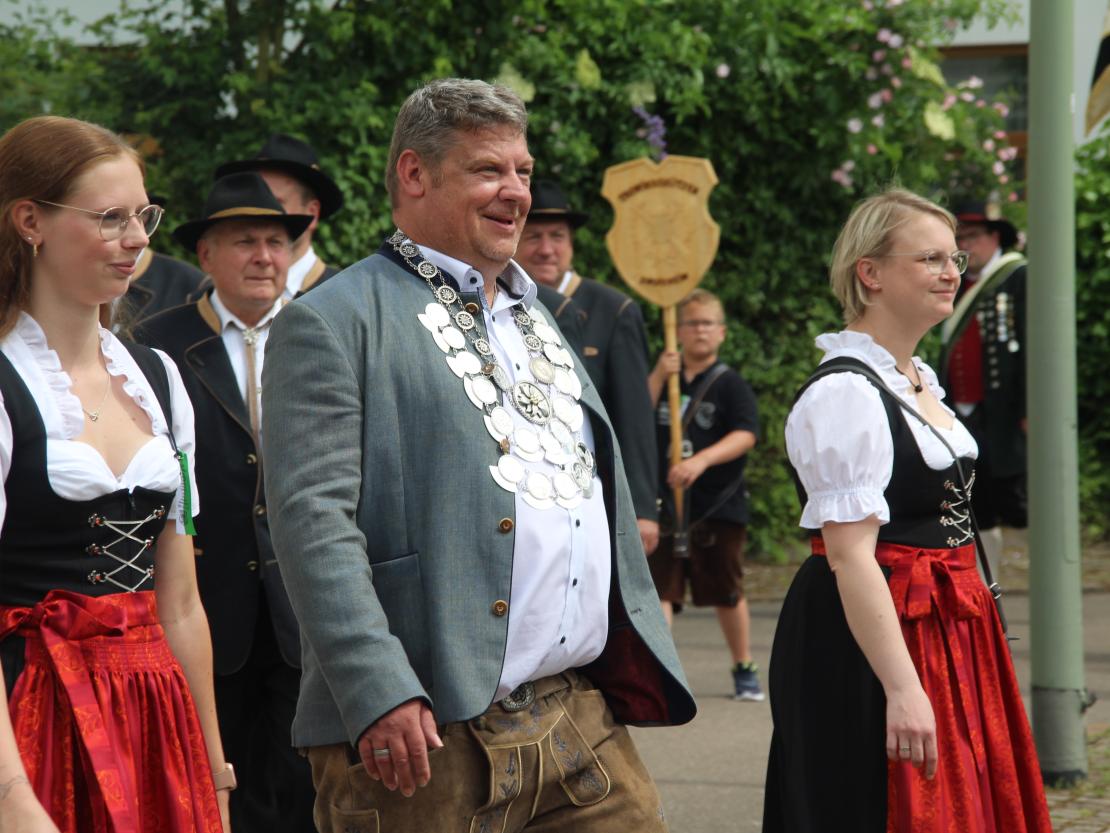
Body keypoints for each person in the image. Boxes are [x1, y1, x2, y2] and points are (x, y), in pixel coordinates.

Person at [261, 77, 695, 833]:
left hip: (572, 708)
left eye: (522, 171)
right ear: (414, 173)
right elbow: (310, 525)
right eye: (488, 170)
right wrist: (378, 688)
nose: (516, 192)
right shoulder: (329, 322)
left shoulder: (535, 312)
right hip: (421, 731)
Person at [762, 188, 1052, 833]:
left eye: (954, 258)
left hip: (947, 624)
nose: (953, 272)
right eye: (930, 259)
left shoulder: (916, 378)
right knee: (874, 801)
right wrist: (902, 687)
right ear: (871, 272)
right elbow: (849, 556)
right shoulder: (846, 393)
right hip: (875, 635)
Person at [0, 116, 230, 832]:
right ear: (29, 220)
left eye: (143, 215)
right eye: (110, 219)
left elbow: (182, 606)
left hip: (155, 721)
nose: (138, 240)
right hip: (34, 718)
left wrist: (215, 777)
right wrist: (14, 802)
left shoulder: (158, 379)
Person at [135, 172, 315, 832]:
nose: (264, 256)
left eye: (276, 240)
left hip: (306, 601)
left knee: (306, 787)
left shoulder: (321, 332)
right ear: (205, 255)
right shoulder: (157, 345)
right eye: (244, 241)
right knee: (220, 782)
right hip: (206, 602)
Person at [516, 180, 661, 556]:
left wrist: (643, 509)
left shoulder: (613, 310)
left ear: (572, 244)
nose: (546, 249)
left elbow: (635, 418)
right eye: (533, 237)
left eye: (557, 237)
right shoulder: (497, 302)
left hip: (595, 491)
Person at [646, 288, 761, 701]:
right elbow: (637, 416)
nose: (699, 331)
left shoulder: (730, 384)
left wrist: (701, 461)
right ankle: (664, 671)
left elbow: (746, 433)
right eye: (691, 323)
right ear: (678, 330)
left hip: (716, 502)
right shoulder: (667, 376)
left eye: (707, 324)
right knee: (660, 589)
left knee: (725, 590)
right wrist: (660, 373)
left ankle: (744, 666)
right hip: (664, 503)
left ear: (722, 332)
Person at [938, 202, 1028, 580]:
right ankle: (984, 577)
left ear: (994, 237)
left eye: (972, 237)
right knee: (976, 496)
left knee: (1017, 493)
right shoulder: (957, 283)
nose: (965, 245)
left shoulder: (1017, 277)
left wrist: (1029, 409)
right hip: (964, 409)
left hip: (1005, 412)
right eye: (960, 239)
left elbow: (1031, 345)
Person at [215, 133, 343, 298]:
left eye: (275, 203)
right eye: (252, 202)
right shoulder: (212, 297)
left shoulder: (345, 297)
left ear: (312, 213)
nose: (259, 213)